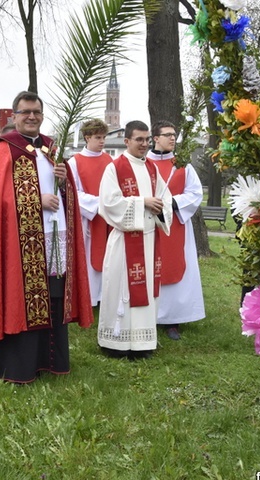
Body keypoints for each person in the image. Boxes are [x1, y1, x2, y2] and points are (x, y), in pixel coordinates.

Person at [0, 91, 93, 383]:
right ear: (14, 116)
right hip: (17, 244)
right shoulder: (3, 150)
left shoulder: (51, 149)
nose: (32, 116)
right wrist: (35, 201)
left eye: (37, 111)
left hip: (52, 237)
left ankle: (50, 360)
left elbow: (67, 195)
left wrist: (64, 183)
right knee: (20, 296)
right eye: (25, 112)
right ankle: (16, 365)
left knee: (53, 294)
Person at [97, 120, 173, 359]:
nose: (144, 144)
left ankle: (143, 343)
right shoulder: (115, 167)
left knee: (147, 290)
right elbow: (109, 203)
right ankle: (116, 342)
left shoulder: (152, 168)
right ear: (126, 141)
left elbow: (166, 199)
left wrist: (160, 208)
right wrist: (143, 203)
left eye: (147, 139)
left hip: (149, 240)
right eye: (139, 139)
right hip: (124, 241)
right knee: (120, 290)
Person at [148, 120, 205, 341]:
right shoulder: (143, 164)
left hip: (176, 226)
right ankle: (147, 316)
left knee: (175, 266)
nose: (172, 138)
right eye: (167, 134)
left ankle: (173, 320)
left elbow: (195, 193)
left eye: (174, 135)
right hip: (150, 224)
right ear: (155, 138)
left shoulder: (183, 165)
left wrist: (171, 203)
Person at [67, 118, 112, 306]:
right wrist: (98, 204)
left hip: (109, 218)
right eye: (98, 137)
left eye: (103, 137)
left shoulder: (110, 160)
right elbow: (73, 191)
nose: (102, 141)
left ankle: (106, 296)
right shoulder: (74, 162)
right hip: (88, 218)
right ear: (87, 138)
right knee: (88, 257)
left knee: (109, 255)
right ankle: (90, 297)